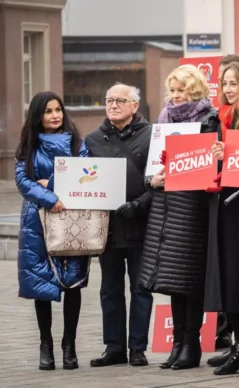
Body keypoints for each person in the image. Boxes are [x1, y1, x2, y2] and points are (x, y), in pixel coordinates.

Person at [138, 64, 220, 370]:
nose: (174, 96)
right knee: (173, 280)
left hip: (193, 207)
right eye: (171, 90)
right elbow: (151, 167)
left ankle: (192, 344)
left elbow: (208, 164)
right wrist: (152, 181)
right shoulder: (163, 120)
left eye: (180, 90)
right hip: (166, 207)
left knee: (189, 279)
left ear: (195, 90)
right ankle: (177, 344)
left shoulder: (208, 119)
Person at [16, 92, 91, 371]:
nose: (55, 115)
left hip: (72, 217)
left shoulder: (76, 142)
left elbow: (85, 173)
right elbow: (23, 180)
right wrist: (50, 195)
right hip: (37, 221)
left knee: (73, 282)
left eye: (58, 109)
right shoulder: (28, 145)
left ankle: (68, 345)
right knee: (41, 284)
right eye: (48, 111)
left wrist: (52, 181)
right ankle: (45, 345)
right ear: (38, 115)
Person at [85, 84, 153, 368]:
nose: (113, 105)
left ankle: (137, 348)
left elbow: (161, 180)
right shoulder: (92, 139)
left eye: (120, 101)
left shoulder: (152, 136)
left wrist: (139, 204)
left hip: (140, 221)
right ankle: (114, 348)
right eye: (109, 100)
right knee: (110, 290)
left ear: (135, 106)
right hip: (108, 226)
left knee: (141, 289)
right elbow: (80, 179)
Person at [202, 61, 239, 376]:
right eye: (224, 83)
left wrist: (231, 154)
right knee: (227, 276)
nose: (227, 89)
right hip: (223, 201)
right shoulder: (220, 117)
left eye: (234, 84)